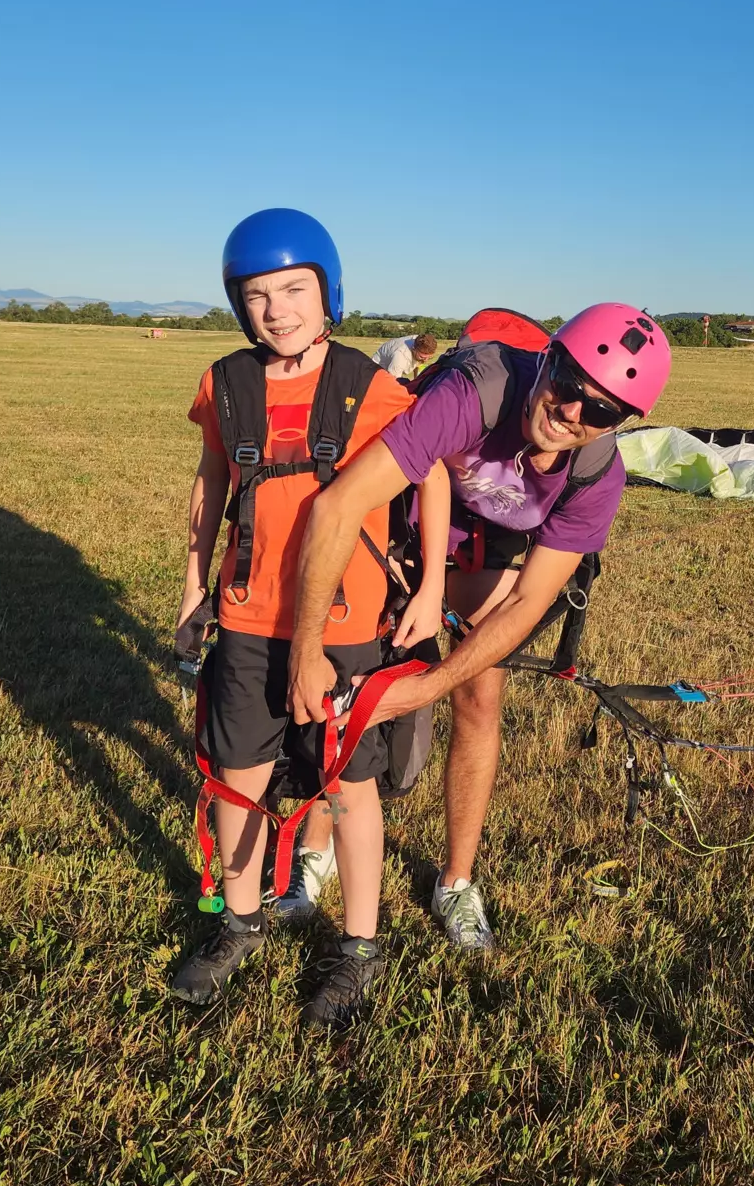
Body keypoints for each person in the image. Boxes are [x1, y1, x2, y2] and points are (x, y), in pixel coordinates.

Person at [288, 305, 672, 953]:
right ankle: (316, 849)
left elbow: (526, 601)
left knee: (479, 691)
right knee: (353, 672)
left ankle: (456, 881)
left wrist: (430, 685)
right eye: (568, 388)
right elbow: (347, 501)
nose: (574, 413)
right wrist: (308, 641)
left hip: (487, 543)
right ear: (546, 362)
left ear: (620, 424)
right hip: (406, 512)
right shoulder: (475, 391)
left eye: (601, 412)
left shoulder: (595, 474)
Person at [170, 208, 449, 1028]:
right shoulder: (225, 383)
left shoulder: (367, 384)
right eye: (256, 295)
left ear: (327, 292)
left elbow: (428, 473)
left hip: (348, 620)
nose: (277, 309)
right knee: (237, 778)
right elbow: (209, 487)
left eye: (294, 289)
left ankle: (359, 946)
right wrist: (193, 588)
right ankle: (240, 921)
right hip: (249, 614)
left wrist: (431, 584)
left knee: (349, 784)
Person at [372, 331, 439, 380]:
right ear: (413, 349)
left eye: (429, 357)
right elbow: (393, 381)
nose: (426, 360)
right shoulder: (400, 356)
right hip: (378, 371)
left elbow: (418, 365)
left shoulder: (421, 341)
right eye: (422, 357)